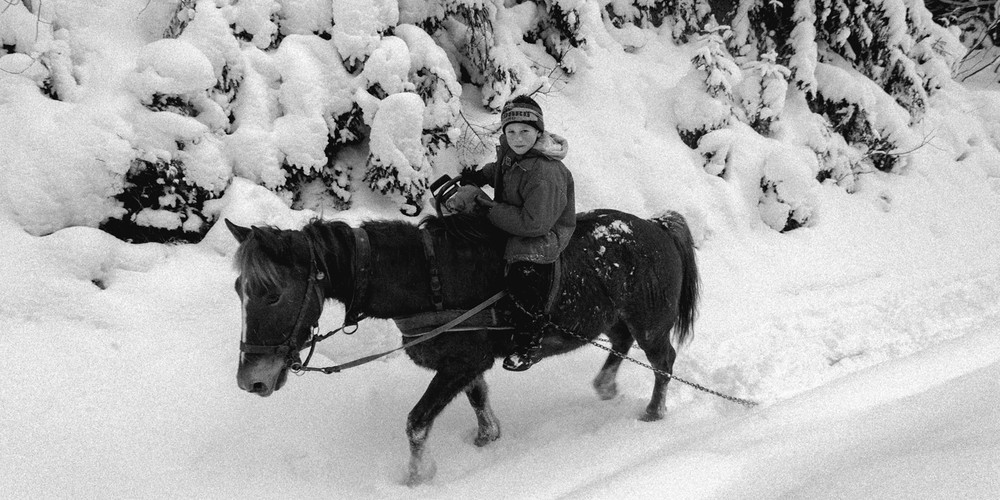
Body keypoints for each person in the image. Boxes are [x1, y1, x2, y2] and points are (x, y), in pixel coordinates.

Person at [448, 95, 576, 371]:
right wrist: (479, 177)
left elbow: (534, 224)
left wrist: (486, 205)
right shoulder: (512, 152)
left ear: (538, 133)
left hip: (541, 232)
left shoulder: (545, 173)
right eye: (511, 131)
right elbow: (502, 169)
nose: (518, 138)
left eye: (525, 132)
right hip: (511, 216)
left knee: (523, 275)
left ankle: (530, 341)